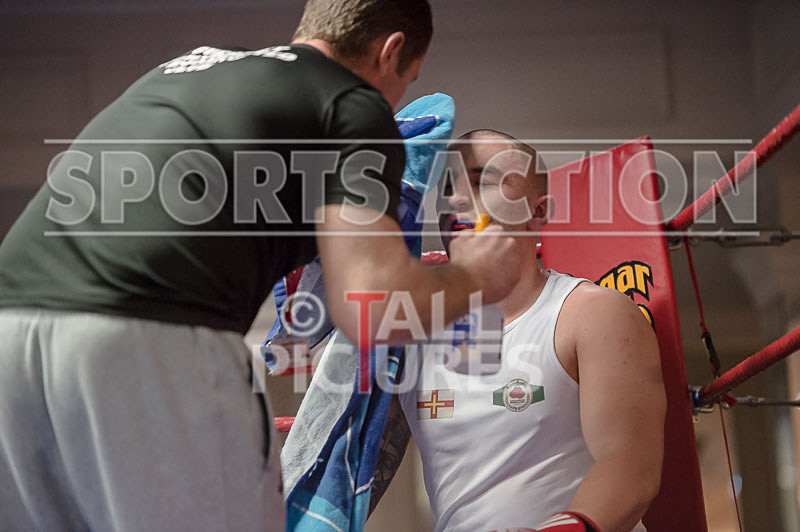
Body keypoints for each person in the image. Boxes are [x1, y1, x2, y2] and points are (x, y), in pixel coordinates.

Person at [0, 1, 522, 529]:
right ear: (390, 52)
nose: (397, 101)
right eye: (408, 80)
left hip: (11, 333)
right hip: (146, 332)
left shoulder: (187, 68)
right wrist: (477, 275)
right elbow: (370, 304)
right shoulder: (352, 101)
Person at [368, 130, 667, 531]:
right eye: (450, 186)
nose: (458, 198)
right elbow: (356, 469)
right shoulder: (413, 335)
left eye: (481, 181)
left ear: (539, 211)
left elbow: (630, 464)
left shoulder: (588, 313)